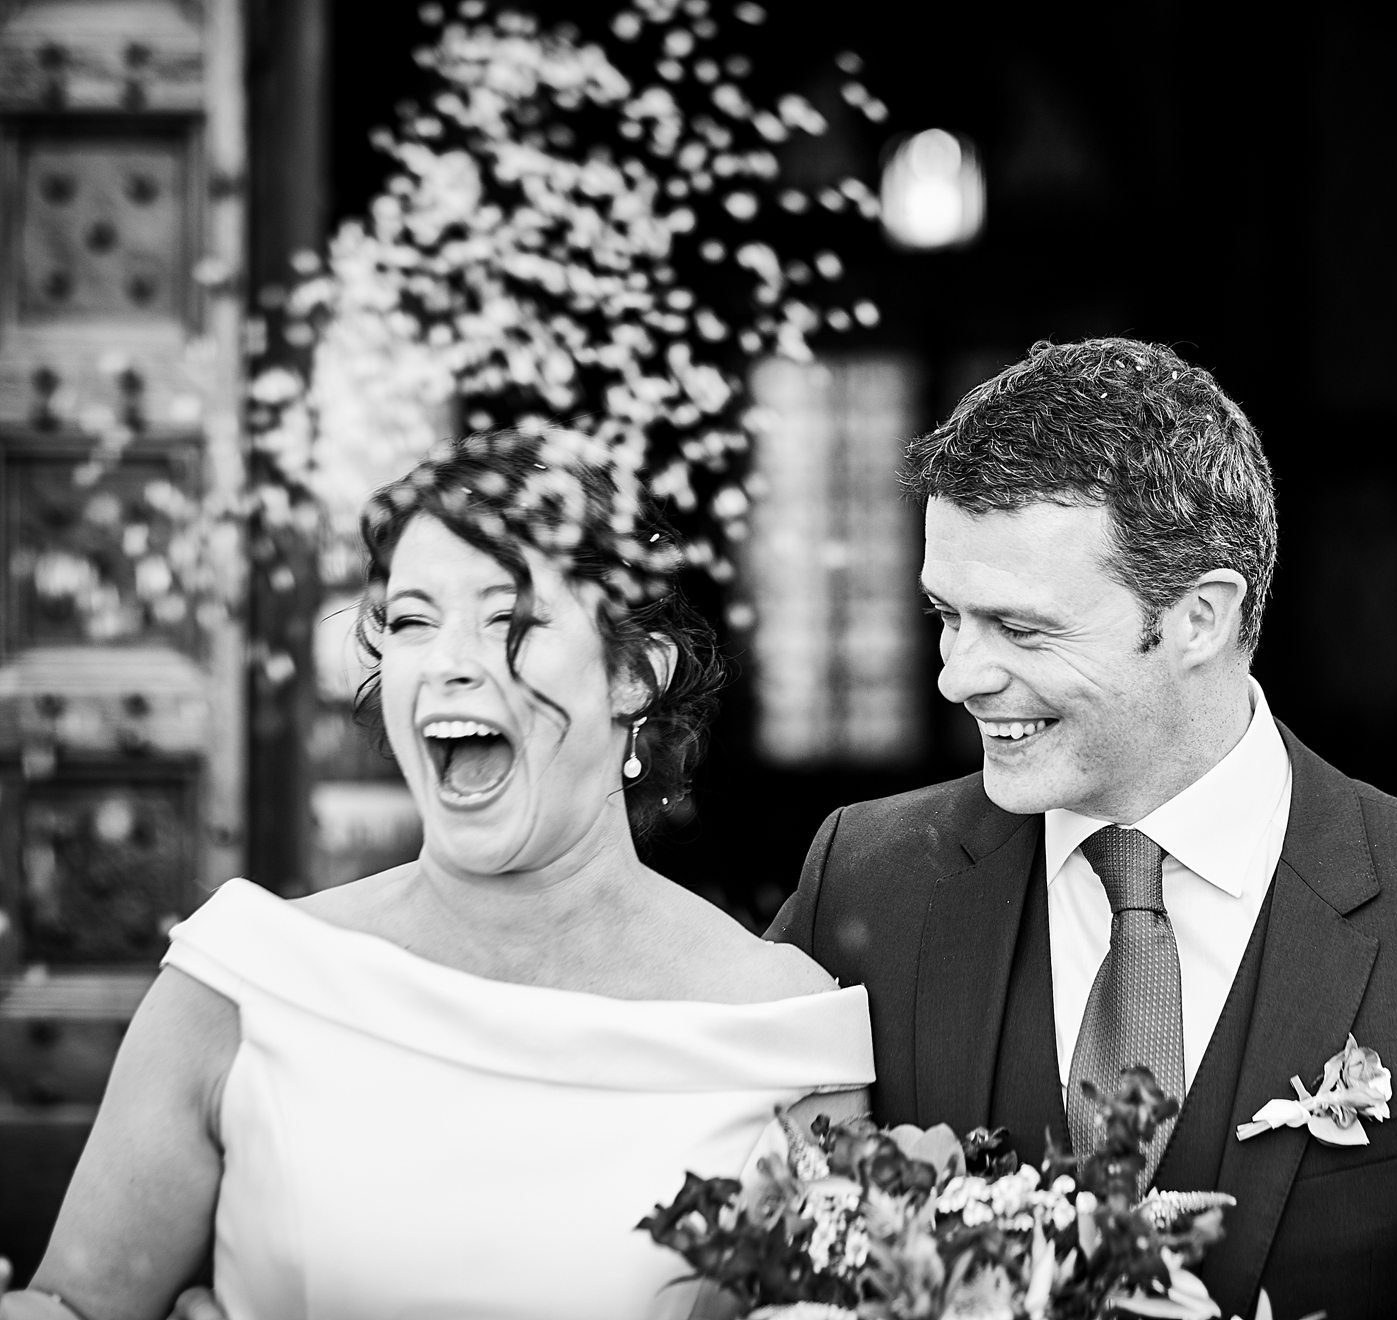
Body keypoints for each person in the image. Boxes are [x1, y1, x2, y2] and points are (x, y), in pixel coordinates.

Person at [769, 338, 1397, 1319]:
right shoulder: (863, 880)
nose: (958, 675)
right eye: (948, 616)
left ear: (1199, 618)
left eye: (1021, 630)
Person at [1, 429, 873, 1320]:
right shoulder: (242, 979)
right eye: (413, 621)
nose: (449, 661)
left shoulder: (784, 1035)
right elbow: (74, 1307)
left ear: (633, 676)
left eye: (509, 620)